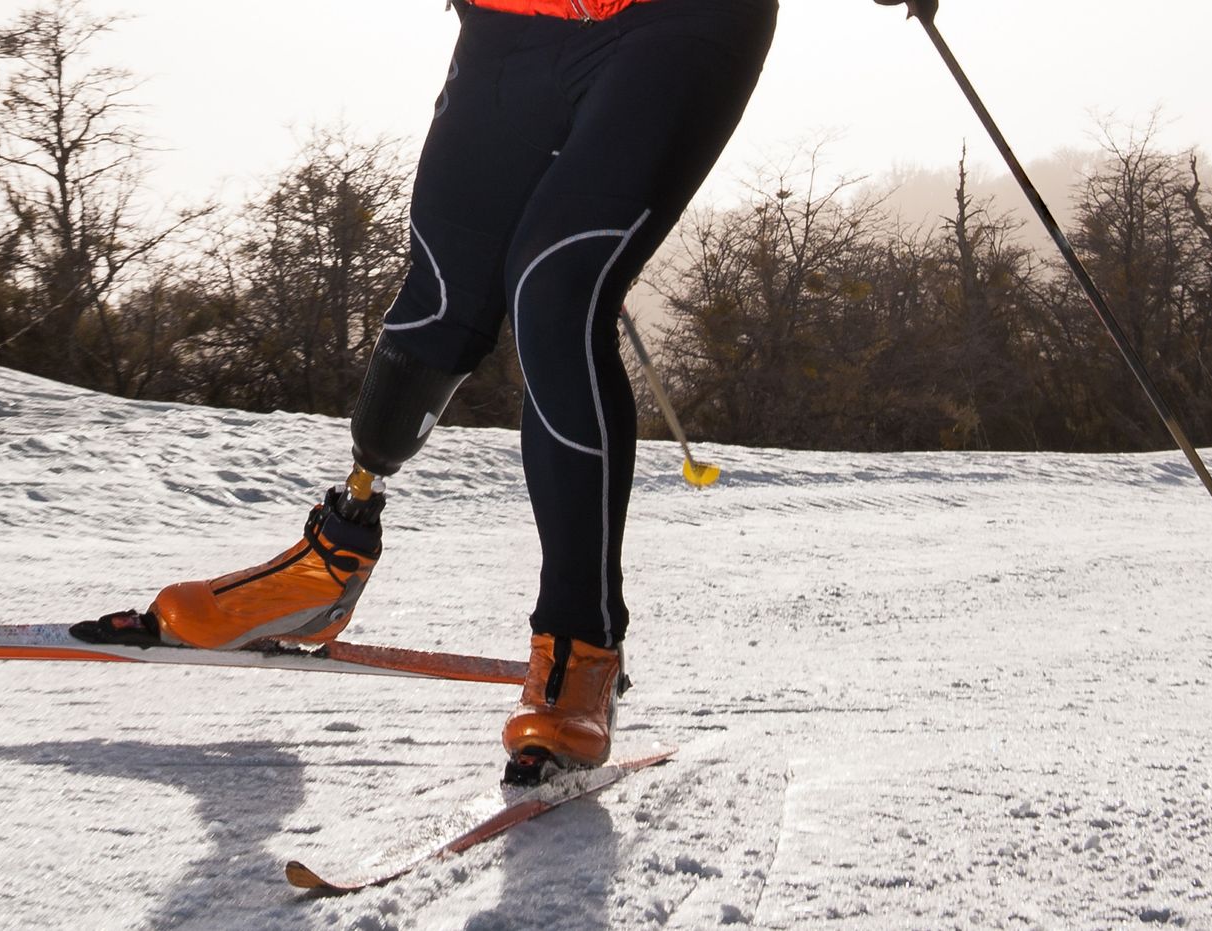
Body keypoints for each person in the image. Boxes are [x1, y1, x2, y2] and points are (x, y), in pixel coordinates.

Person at [78, 0, 937, 784]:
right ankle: (329, 558)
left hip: (678, 22)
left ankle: (581, 644)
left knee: (557, 289)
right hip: (512, 25)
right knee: (438, 302)